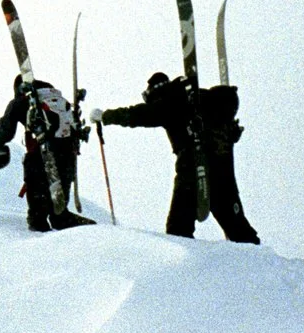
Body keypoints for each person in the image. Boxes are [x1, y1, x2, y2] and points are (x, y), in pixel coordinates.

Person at [97, 71, 259, 243]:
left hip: (192, 169)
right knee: (238, 229)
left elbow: (139, 114)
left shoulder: (170, 101)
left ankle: (190, 267)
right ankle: (263, 263)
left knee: (178, 229)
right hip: (222, 171)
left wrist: (106, 117)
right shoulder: (199, 98)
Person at [0, 75, 91, 232]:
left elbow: (5, 130)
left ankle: (38, 225)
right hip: (67, 154)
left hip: (40, 155)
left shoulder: (23, 101)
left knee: (37, 204)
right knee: (59, 197)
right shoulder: (59, 100)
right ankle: (60, 216)